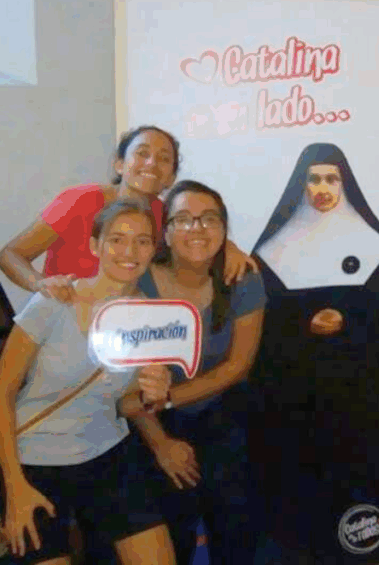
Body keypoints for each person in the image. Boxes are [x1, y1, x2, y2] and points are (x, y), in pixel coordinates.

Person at [0, 198, 177, 565]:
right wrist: (15, 486)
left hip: (108, 453)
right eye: (117, 239)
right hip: (35, 461)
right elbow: (1, 394)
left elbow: (125, 403)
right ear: (95, 246)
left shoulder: (150, 319)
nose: (129, 251)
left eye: (142, 241)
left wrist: (155, 397)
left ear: (153, 250)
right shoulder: (54, 300)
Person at [248, 143, 379, 564]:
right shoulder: (271, 248)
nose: (322, 187)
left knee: (361, 473)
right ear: (300, 185)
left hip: (362, 388)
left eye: (331, 178)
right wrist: (303, 321)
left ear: (344, 182)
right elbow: (260, 316)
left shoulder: (376, 242)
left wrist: (348, 319)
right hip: (296, 389)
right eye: (313, 179)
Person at [123, 180, 266, 565]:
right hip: (150, 422)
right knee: (171, 528)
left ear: (224, 229)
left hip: (220, 410)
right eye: (183, 219)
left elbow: (238, 366)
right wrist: (161, 444)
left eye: (209, 219)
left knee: (235, 523)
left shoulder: (243, 279)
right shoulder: (138, 282)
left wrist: (169, 398)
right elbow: (125, 386)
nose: (197, 228)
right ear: (166, 232)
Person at [0, 125, 256, 303]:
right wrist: (40, 284)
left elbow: (197, 238)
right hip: (64, 315)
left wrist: (229, 248)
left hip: (122, 328)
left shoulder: (165, 215)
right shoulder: (80, 201)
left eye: (164, 159)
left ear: (171, 178)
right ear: (120, 165)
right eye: (142, 154)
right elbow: (11, 254)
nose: (152, 163)